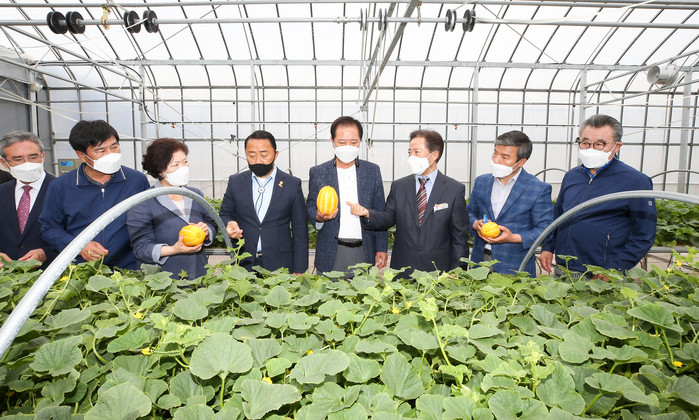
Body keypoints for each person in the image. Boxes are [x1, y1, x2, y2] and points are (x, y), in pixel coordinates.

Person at [540, 114, 656, 279]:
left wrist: (614, 269)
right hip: (564, 267)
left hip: (601, 272)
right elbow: (558, 216)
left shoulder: (635, 181)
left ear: (617, 146)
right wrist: (548, 247)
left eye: (599, 144)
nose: (590, 149)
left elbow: (643, 234)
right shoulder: (572, 176)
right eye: (585, 143)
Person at [348, 129, 469, 276]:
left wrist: (458, 270)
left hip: (439, 271)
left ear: (434, 155)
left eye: (416, 152)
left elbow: (459, 237)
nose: (411, 157)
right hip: (404, 268)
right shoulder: (399, 186)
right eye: (409, 152)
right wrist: (367, 213)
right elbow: (388, 218)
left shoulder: (454, 189)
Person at [39, 120, 150, 270]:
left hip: (128, 269)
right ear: (82, 155)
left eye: (114, 147)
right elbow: (49, 229)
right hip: (81, 270)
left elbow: (148, 221)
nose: (110, 154)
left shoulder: (136, 181)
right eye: (101, 151)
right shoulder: (61, 186)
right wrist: (78, 246)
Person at [306, 116, 388, 275]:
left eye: (353, 142)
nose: (348, 147)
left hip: (364, 249)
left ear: (360, 141)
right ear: (332, 140)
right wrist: (318, 217)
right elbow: (310, 205)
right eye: (342, 142)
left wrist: (381, 247)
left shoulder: (372, 171)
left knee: (363, 289)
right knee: (328, 290)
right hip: (331, 250)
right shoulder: (319, 172)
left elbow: (380, 212)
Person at [220, 130, 308, 274]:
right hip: (244, 262)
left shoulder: (291, 184)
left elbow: (300, 230)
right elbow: (225, 213)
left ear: (276, 154)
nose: (258, 160)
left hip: (280, 263)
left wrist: (300, 268)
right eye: (251, 155)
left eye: (264, 154)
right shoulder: (236, 182)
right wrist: (229, 223)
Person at [126, 138, 217, 279]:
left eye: (185, 162)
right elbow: (141, 248)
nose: (183, 168)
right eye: (175, 165)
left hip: (199, 276)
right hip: (164, 281)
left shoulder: (195, 195)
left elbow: (212, 223)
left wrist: (207, 231)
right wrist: (174, 249)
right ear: (160, 171)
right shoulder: (143, 202)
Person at [466, 130, 553, 277]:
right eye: (495, 153)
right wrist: (475, 224)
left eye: (505, 157)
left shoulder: (538, 189)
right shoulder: (482, 182)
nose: (496, 160)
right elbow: (469, 212)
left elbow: (546, 229)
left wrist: (513, 238)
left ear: (521, 162)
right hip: (480, 260)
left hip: (515, 265)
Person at [0, 131, 57, 268]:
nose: (27, 164)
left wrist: (46, 253)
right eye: (18, 159)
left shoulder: (63, 189)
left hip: (52, 274)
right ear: (4, 163)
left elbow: (76, 233)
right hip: (6, 276)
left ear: (43, 156)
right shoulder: (2, 192)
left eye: (33, 157)